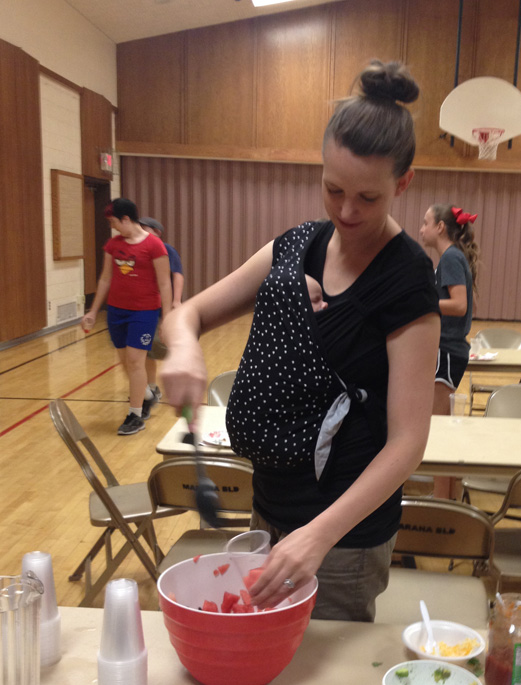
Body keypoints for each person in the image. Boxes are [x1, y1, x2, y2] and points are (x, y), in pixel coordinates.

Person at [161, 61, 440, 621]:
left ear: (402, 184)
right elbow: (187, 313)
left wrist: (318, 536)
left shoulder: (407, 278)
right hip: (270, 510)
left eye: (367, 197)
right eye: (332, 189)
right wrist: (184, 345)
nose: (345, 211)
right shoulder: (296, 246)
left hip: (343, 537)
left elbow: (407, 443)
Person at [81, 198, 172, 435]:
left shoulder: (154, 246)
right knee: (125, 361)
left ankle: (135, 414)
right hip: (116, 311)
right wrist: (92, 311)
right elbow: (105, 278)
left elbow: (165, 283)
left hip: (144, 312)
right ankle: (148, 394)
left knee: (134, 360)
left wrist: (168, 317)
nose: (112, 226)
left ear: (126, 219)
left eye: (114, 221)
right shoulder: (113, 244)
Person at [419, 204, 478, 499]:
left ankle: (443, 500)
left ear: (441, 227)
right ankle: (449, 496)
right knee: (440, 427)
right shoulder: (450, 258)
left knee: (439, 431)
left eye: (426, 222)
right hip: (447, 351)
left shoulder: (451, 258)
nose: (421, 229)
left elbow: (459, 305)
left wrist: (422, 302)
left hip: (447, 351)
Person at [138, 217, 185, 417]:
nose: (141, 232)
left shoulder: (166, 249)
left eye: (145, 229)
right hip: (146, 306)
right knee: (147, 349)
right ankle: (151, 386)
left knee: (171, 346)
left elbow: (177, 275)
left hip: (164, 306)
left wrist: (176, 300)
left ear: (157, 231)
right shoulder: (140, 250)